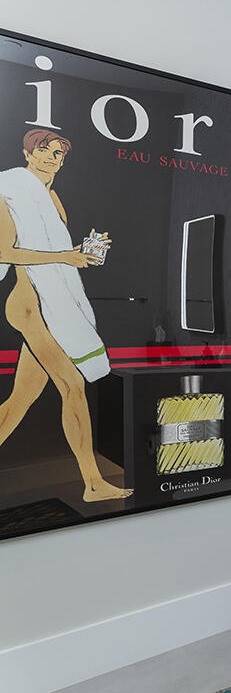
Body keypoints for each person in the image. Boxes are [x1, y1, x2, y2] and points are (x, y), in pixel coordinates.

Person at [0, 129, 131, 502]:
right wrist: (64, 256)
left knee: (20, 401)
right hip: (31, 306)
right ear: (27, 153)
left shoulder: (53, 198)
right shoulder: (8, 191)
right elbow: (4, 252)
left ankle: (93, 484)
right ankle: (93, 483)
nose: (51, 157)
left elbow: (53, 251)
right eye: (43, 150)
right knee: (73, 385)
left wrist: (82, 252)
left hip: (50, 306)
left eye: (58, 153)